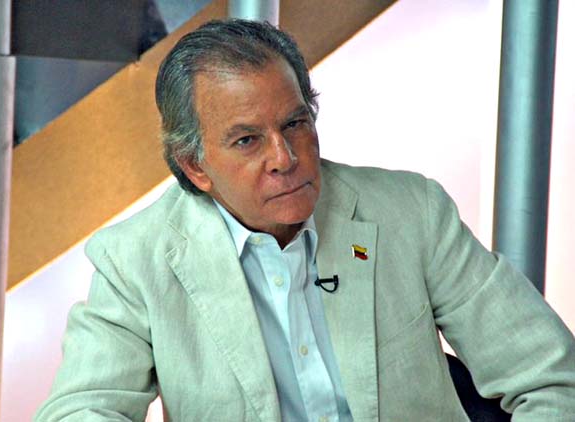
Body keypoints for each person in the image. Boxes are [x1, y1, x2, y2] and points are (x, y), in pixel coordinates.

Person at [35, 19, 575, 421]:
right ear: (195, 166)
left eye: (295, 124)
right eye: (247, 140)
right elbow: (80, 410)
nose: (284, 157)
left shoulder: (413, 212)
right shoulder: (136, 260)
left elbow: (552, 378)